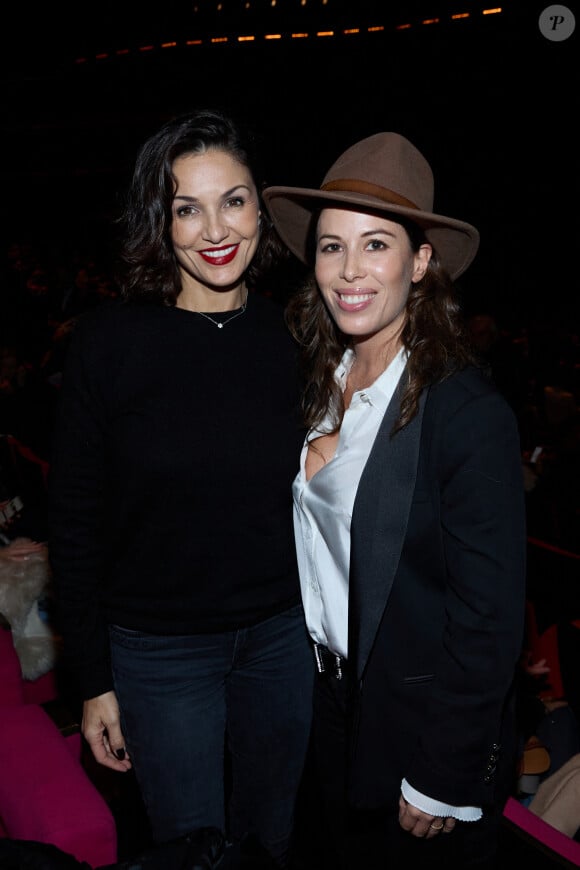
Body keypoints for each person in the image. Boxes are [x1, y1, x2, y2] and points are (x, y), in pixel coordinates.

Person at [48, 108, 314, 869]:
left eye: (232, 200)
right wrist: (94, 680)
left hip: (280, 641)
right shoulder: (107, 345)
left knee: (272, 842)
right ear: (158, 225)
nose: (214, 228)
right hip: (160, 653)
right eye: (185, 209)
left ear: (261, 206)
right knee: (188, 853)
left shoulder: (296, 337)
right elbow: (74, 521)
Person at [262, 132, 528, 868]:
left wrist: (443, 773)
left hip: (416, 726)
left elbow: (490, 618)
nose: (349, 271)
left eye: (376, 245)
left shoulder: (464, 412)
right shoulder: (320, 381)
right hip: (324, 712)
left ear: (420, 262)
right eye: (330, 247)